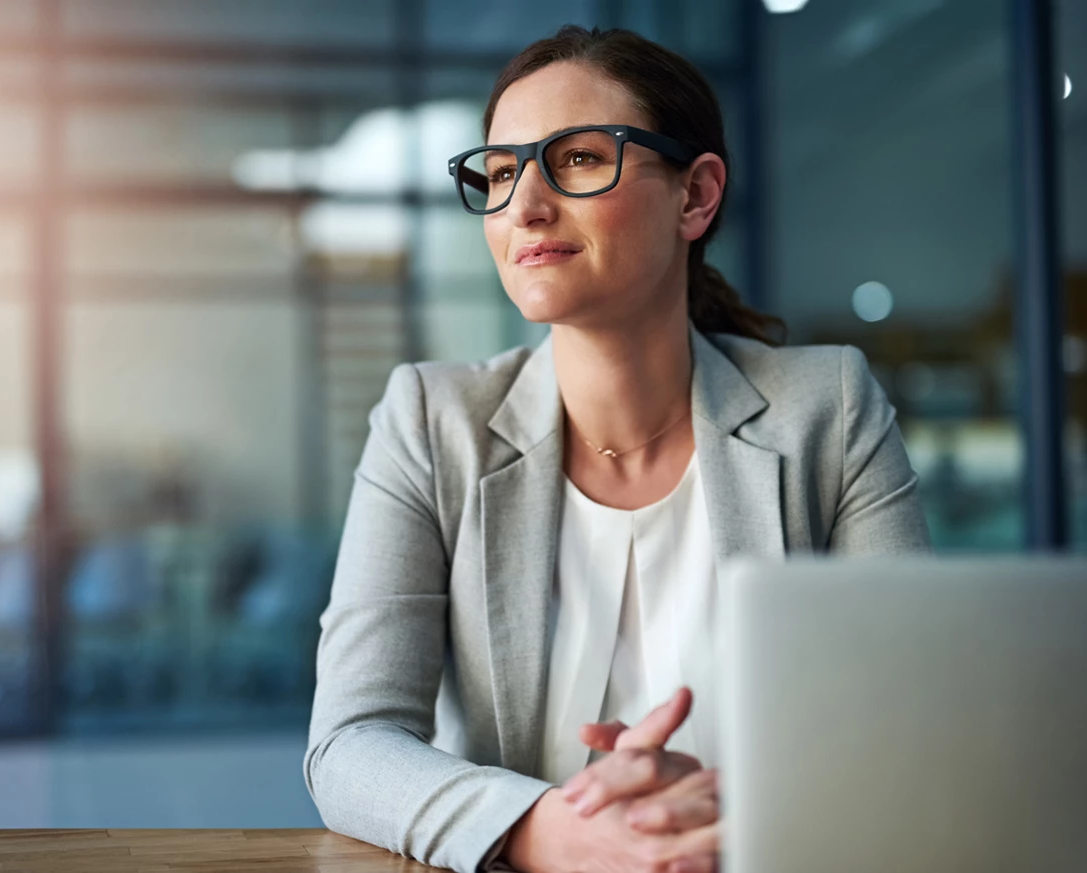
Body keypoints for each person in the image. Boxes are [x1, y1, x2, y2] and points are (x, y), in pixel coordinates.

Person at [305, 25, 931, 873]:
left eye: (574, 160)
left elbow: (910, 717)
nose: (523, 203)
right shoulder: (430, 419)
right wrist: (547, 828)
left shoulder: (828, 408)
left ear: (695, 196)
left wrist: (727, 805)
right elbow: (351, 742)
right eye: (497, 172)